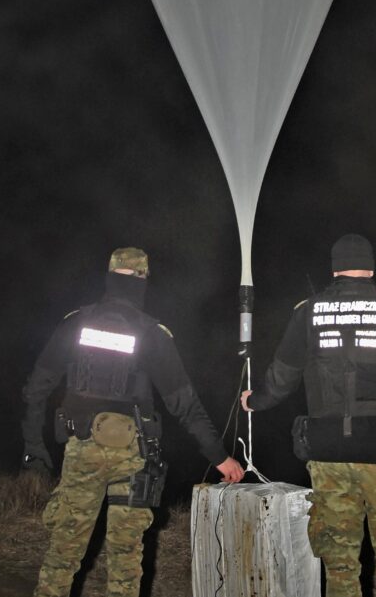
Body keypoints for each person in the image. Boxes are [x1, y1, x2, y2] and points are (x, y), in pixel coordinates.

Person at [22, 247, 245, 597]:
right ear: (143, 280)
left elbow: (36, 388)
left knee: (64, 551)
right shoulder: (152, 333)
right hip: (134, 456)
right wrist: (220, 457)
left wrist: (35, 451)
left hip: (83, 452)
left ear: (109, 276)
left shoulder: (76, 321)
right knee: (125, 560)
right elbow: (185, 405)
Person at [241, 233, 376, 597]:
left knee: (340, 566)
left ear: (334, 268)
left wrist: (255, 401)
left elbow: (282, 379)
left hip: (329, 453)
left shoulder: (308, 311)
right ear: (371, 267)